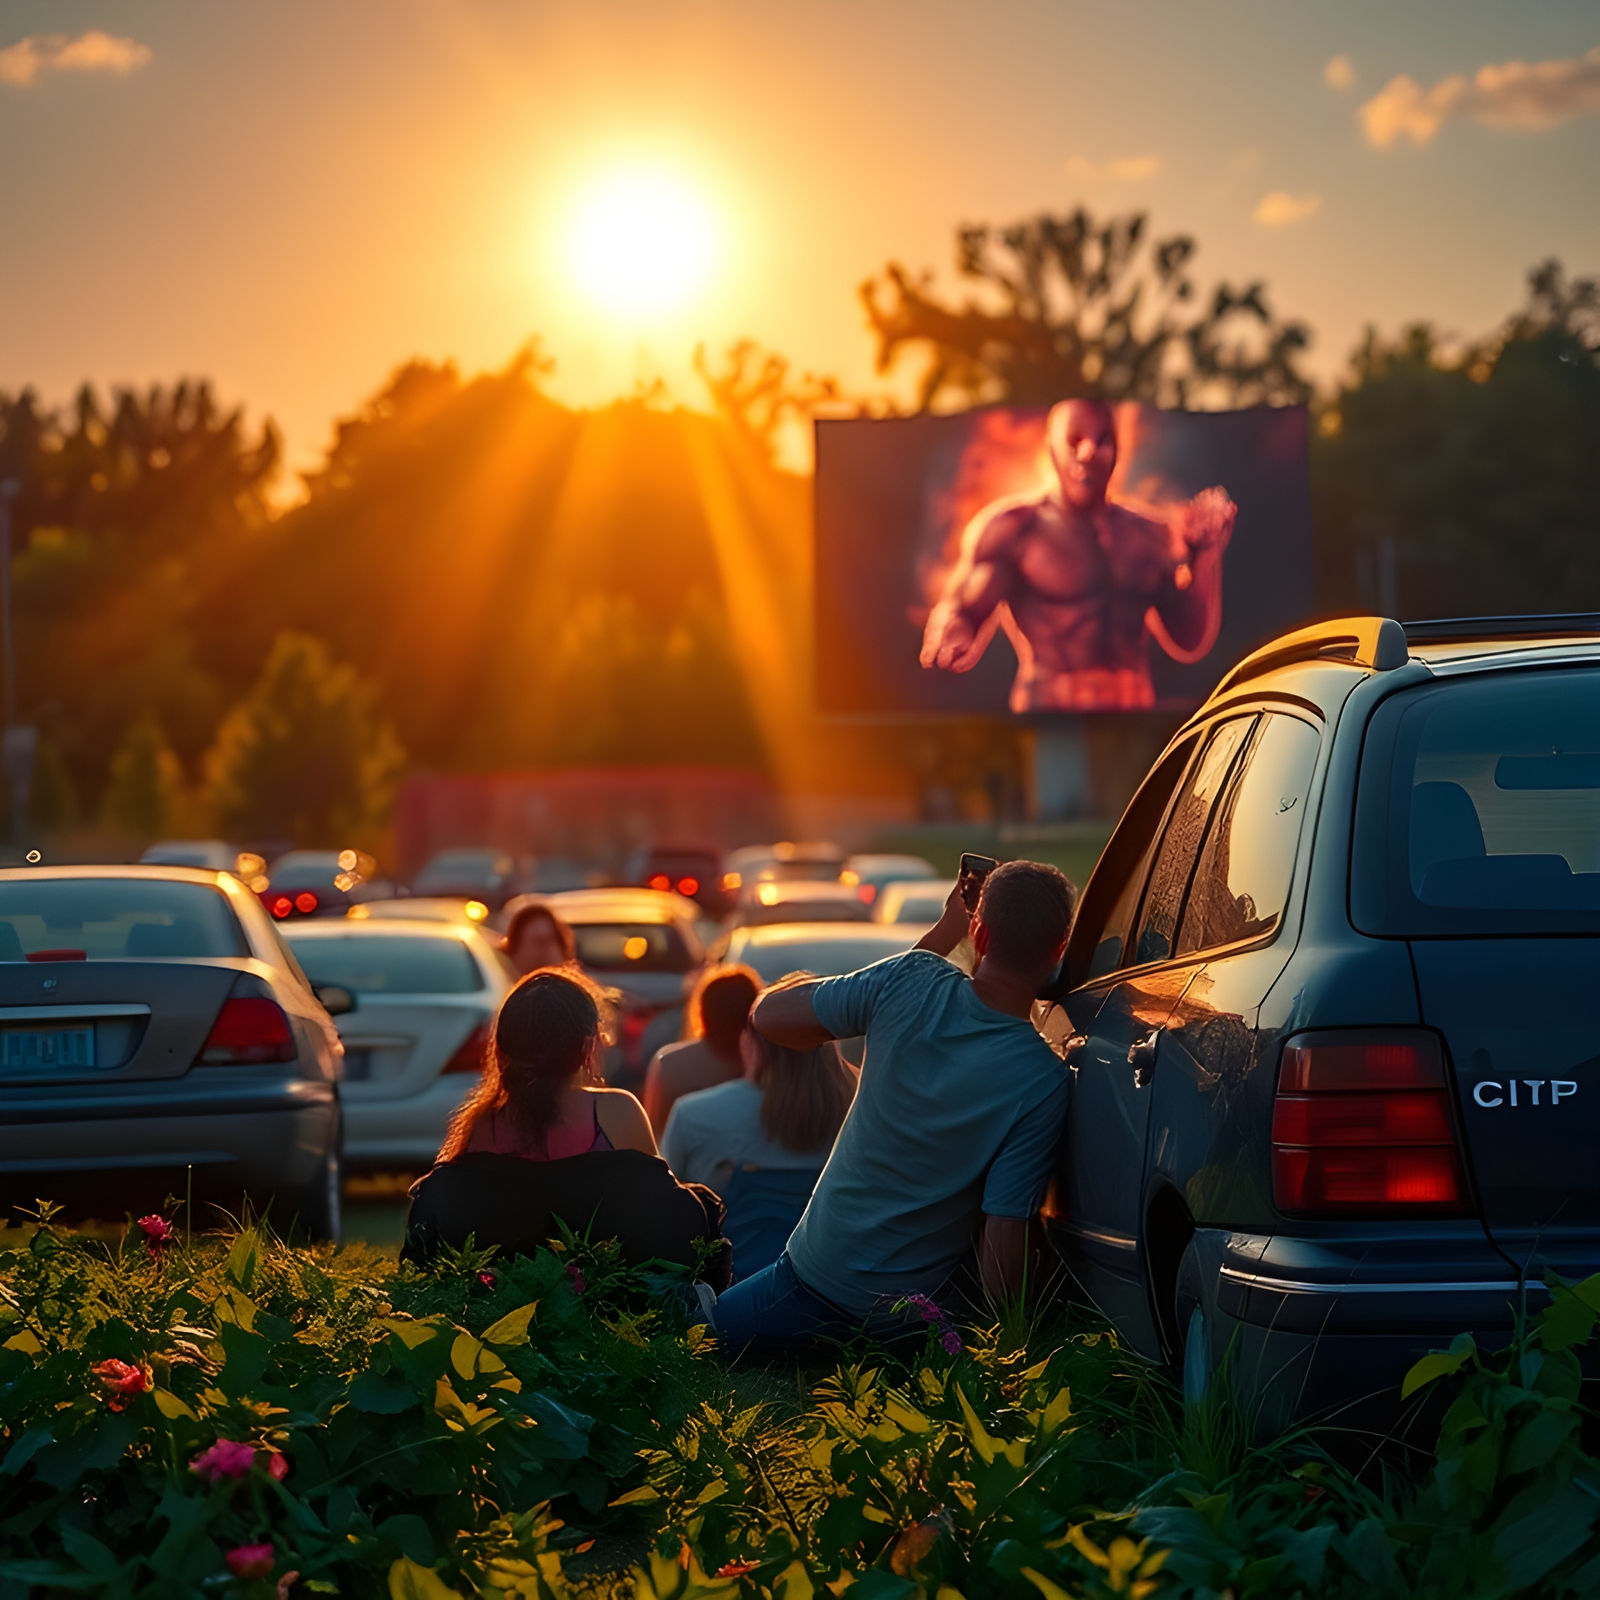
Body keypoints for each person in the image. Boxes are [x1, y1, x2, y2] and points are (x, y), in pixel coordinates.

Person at [710, 858, 1075, 1354]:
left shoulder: (911, 980)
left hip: (808, 1283)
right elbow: (1004, 1229)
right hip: (908, 1320)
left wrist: (949, 930)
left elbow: (768, 1015)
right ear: (1059, 950)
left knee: (703, 1334)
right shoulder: (1043, 1079)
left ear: (981, 937)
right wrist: (1009, 1346)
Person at [402, 968, 730, 1285]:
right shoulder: (617, 1112)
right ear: (588, 1047)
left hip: (497, 1318)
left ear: (501, 1051)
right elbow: (660, 1221)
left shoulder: (477, 1126)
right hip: (611, 1314)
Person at [920, 399, 1236, 712]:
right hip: (1052, 722)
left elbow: (1188, 640)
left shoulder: (1148, 534)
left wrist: (1204, 558)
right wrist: (952, 628)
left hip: (1132, 722)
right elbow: (961, 606)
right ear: (1051, 448)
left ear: (1117, 450)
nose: (1087, 454)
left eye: (1101, 442)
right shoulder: (1014, 529)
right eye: (1074, 441)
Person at [664, 1005, 858, 1279]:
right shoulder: (860, 1111)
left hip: (726, 1295)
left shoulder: (694, 1114)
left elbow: (669, 1220)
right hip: (830, 1293)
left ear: (755, 1044)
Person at [643, 964, 761, 1133]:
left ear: (703, 1012)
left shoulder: (670, 1064)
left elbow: (655, 1136)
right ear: (752, 1014)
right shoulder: (775, 1065)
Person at [500, 898, 578, 976]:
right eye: (537, 941)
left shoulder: (576, 984)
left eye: (549, 940)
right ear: (515, 950)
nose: (545, 950)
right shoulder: (498, 982)